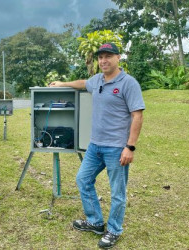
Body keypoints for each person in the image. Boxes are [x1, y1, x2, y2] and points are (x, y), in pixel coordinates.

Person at [49, 42, 145, 249]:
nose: (104, 60)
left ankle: (114, 230)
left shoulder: (128, 83)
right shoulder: (98, 80)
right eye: (101, 57)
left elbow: (137, 115)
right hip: (95, 146)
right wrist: (62, 84)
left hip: (117, 148)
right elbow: (83, 83)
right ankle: (95, 222)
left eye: (108, 56)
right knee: (83, 179)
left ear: (118, 58)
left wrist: (130, 147)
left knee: (117, 191)